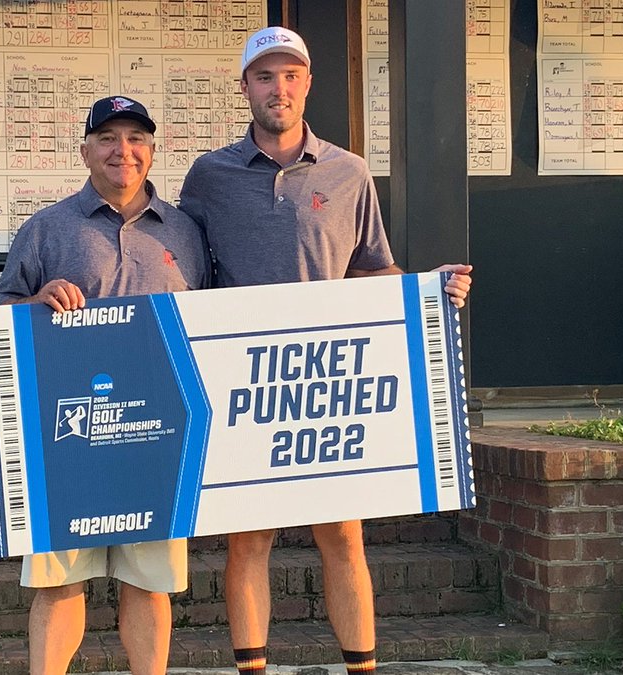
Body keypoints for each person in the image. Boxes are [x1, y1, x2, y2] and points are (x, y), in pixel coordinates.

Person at [178, 26, 473, 675]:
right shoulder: (208, 177)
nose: (278, 88)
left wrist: (427, 289)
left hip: (326, 383)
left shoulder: (349, 171)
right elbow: (184, 270)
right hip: (244, 384)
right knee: (248, 540)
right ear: (245, 87)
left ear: (308, 83)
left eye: (290, 75)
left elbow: (373, 269)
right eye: (264, 76)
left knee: (343, 536)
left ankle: (361, 668)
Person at [0, 95, 209, 675]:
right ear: (84, 151)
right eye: (107, 138)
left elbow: (208, 326)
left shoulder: (185, 231)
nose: (122, 151)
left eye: (135, 139)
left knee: (149, 584)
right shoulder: (46, 228)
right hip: (69, 441)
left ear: (152, 151)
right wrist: (35, 302)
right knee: (60, 584)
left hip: (156, 440)